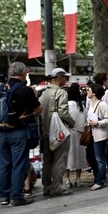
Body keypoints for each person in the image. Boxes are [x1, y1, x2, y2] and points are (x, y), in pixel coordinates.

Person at [0, 61, 40, 207]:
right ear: (23, 72)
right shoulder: (24, 90)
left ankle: (3, 196)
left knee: (4, 164)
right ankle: (16, 197)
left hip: (2, 132)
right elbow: (38, 109)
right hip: (18, 132)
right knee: (19, 164)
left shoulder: (0, 88)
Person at [39, 68, 75, 197]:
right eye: (65, 77)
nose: (66, 80)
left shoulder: (44, 93)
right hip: (59, 132)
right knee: (59, 160)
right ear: (59, 78)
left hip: (46, 132)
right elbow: (63, 112)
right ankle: (56, 188)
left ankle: (47, 187)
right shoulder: (61, 93)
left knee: (48, 161)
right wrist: (72, 122)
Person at [86, 83, 108, 191]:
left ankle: (99, 180)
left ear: (94, 92)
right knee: (91, 157)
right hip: (92, 133)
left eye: (89, 90)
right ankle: (98, 177)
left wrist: (97, 123)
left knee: (100, 159)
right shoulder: (92, 103)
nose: (87, 91)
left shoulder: (102, 105)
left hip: (100, 134)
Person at [65, 83, 87, 188]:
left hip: (69, 132)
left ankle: (67, 179)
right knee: (80, 156)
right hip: (80, 133)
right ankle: (78, 179)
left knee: (68, 156)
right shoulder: (82, 106)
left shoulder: (68, 105)